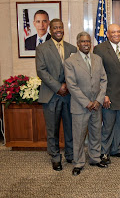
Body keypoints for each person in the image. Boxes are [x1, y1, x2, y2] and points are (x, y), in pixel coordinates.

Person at [64, 32, 108, 176]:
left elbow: (103, 80)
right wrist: (86, 102)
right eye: (83, 41)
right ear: (78, 43)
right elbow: (71, 85)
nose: (86, 44)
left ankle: (95, 158)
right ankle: (78, 162)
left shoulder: (98, 59)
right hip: (80, 106)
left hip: (96, 105)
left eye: (88, 41)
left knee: (96, 133)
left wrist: (98, 100)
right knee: (79, 136)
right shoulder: (70, 62)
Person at [36, 18, 77, 171]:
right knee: (52, 129)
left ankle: (71, 154)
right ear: (50, 30)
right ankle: (55, 157)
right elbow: (41, 71)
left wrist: (67, 85)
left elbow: (75, 70)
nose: (58, 30)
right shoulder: (42, 48)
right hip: (51, 95)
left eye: (60, 27)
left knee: (69, 127)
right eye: (55, 28)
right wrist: (58, 86)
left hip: (68, 96)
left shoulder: (72, 48)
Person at [94, 24, 120, 164]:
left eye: (118, 32)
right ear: (108, 34)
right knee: (108, 126)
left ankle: (116, 149)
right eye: (113, 32)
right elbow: (97, 74)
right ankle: (104, 152)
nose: (116, 34)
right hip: (108, 95)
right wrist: (103, 94)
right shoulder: (100, 49)